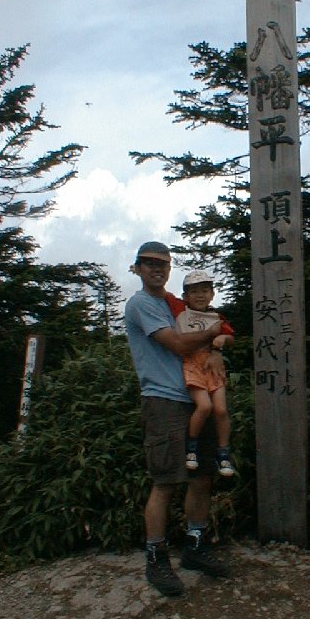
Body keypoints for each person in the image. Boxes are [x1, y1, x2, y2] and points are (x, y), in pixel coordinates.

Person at [125, 241, 229, 597]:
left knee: (201, 476)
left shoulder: (176, 305)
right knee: (166, 480)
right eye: (149, 263)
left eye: (163, 264)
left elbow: (202, 340)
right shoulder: (141, 304)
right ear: (137, 268)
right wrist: (216, 333)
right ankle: (156, 556)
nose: (157, 268)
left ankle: (195, 545)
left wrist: (215, 349)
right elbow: (181, 345)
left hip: (195, 396)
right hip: (164, 400)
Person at [164, 270, 236, 477]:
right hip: (192, 364)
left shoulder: (216, 317)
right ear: (185, 296)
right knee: (204, 406)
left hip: (212, 367)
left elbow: (230, 336)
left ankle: (223, 454)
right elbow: (164, 294)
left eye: (205, 290)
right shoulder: (180, 310)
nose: (200, 295)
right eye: (194, 291)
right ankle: (192, 449)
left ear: (212, 294)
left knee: (221, 410)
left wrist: (222, 341)